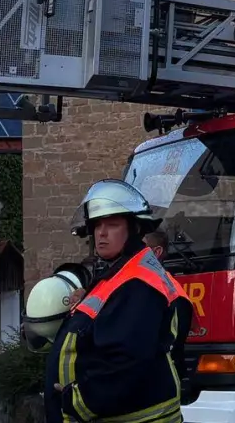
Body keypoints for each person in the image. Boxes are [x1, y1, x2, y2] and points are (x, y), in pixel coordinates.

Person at [44, 180, 198, 423]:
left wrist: (78, 401)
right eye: (97, 225)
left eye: (112, 225)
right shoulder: (121, 273)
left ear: (134, 229)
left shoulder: (138, 284)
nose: (101, 233)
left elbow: (124, 361)